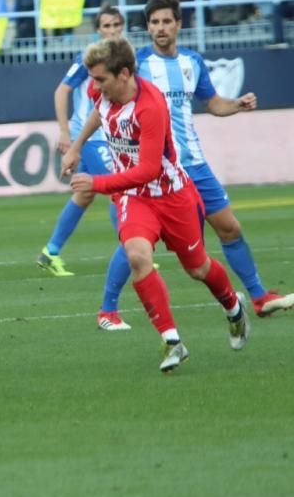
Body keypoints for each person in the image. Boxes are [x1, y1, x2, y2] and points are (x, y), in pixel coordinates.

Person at [61, 36, 250, 373]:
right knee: (137, 256)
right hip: (135, 200)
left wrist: (97, 183)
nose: (94, 86)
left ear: (123, 74)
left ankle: (234, 308)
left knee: (197, 268)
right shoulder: (99, 91)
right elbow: (97, 115)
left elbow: (146, 171)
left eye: (101, 78)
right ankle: (172, 341)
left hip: (172, 196)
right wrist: (76, 147)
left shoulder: (151, 106)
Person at [136, 0, 294, 316]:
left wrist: (236, 104)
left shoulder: (192, 63)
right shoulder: (137, 65)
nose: (161, 28)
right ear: (148, 27)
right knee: (172, 251)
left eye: (167, 21)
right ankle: (109, 306)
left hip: (194, 162)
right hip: (161, 170)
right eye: (154, 22)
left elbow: (212, 103)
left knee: (230, 228)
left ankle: (259, 297)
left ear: (179, 24)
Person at [38, 6, 133, 330]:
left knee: (85, 195)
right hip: (91, 136)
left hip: (111, 135)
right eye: (107, 25)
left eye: (117, 24)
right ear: (98, 30)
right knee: (116, 189)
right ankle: (133, 246)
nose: (113, 30)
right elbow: (61, 90)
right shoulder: (89, 58)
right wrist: (66, 132)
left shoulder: (126, 57)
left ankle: (51, 251)